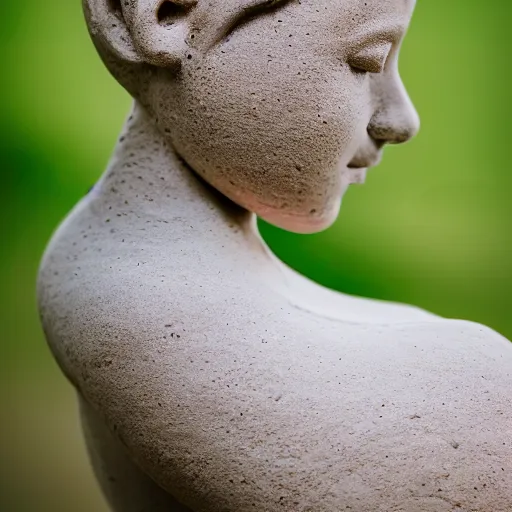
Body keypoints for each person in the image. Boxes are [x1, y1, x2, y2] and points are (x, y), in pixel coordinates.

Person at [38, 0, 512, 510]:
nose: (401, 119)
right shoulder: (139, 305)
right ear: (163, 15)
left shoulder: (112, 264)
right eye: (365, 61)